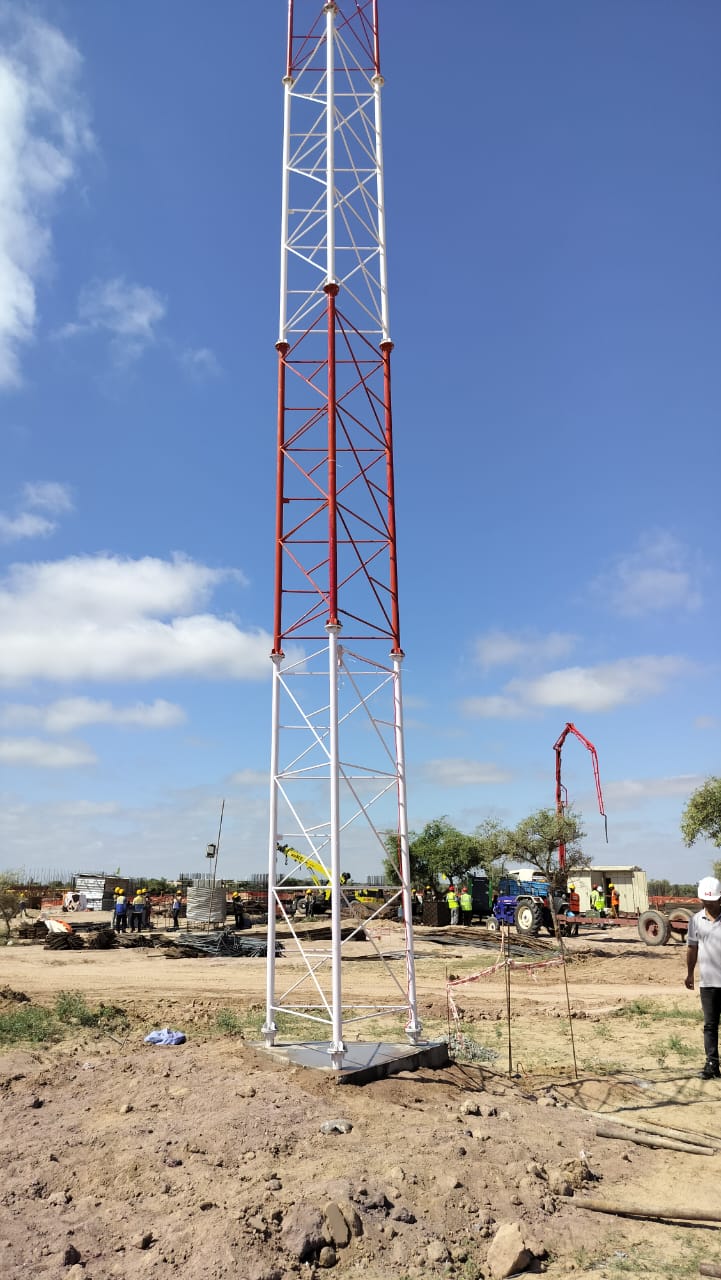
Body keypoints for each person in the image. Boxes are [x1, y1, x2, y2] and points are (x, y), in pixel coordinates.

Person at [685, 876, 721, 1079]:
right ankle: (712, 1065)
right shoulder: (696, 920)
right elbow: (692, 948)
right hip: (708, 982)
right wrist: (690, 973)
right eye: (705, 901)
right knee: (710, 1025)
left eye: (712, 900)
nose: (708, 904)